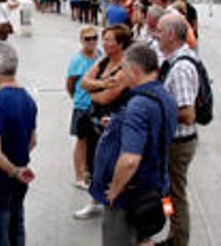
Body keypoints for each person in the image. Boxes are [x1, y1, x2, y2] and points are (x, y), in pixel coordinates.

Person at [90, 42, 178, 246]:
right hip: (158, 188)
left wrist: (114, 190)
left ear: (135, 70)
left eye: (124, 68)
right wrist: (117, 125)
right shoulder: (165, 96)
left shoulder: (138, 104)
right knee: (145, 237)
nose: (121, 73)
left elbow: (130, 159)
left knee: (120, 239)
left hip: (131, 194)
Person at [0, 42, 37, 246]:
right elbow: (33, 140)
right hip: (19, 173)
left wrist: (11, 170)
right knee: (15, 227)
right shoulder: (27, 99)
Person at [75, 24, 134, 220]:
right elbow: (83, 81)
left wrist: (93, 92)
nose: (104, 43)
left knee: (110, 161)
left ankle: (114, 202)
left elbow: (108, 97)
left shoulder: (126, 67)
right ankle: (95, 201)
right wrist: (100, 84)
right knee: (94, 159)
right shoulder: (103, 61)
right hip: (95, 120)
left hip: (113, 120)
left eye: (109, 40)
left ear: (120, 44)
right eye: (105, 39)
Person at [156, 14, 199, 246]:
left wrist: (156, 113)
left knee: (176, 196)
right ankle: (173, 234)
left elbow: (188, 114)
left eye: (160, 31)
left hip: (178, 143)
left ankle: (178, 240)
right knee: (170, 193)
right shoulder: (175, 60)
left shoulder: (180, 68)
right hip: (175, 142)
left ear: (171, 35)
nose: (156, 35)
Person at [66, 25, 102, 189]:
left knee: (95, 140)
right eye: (88, 39)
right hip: (83, 105)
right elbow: (70, 83)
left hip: (98, 104)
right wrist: (76, 98)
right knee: (82, 141)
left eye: (95, 38)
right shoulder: (77, 61)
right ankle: (79, 175)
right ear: (81, 41)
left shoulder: (100, 55)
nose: (92, 42)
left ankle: (89, 170)